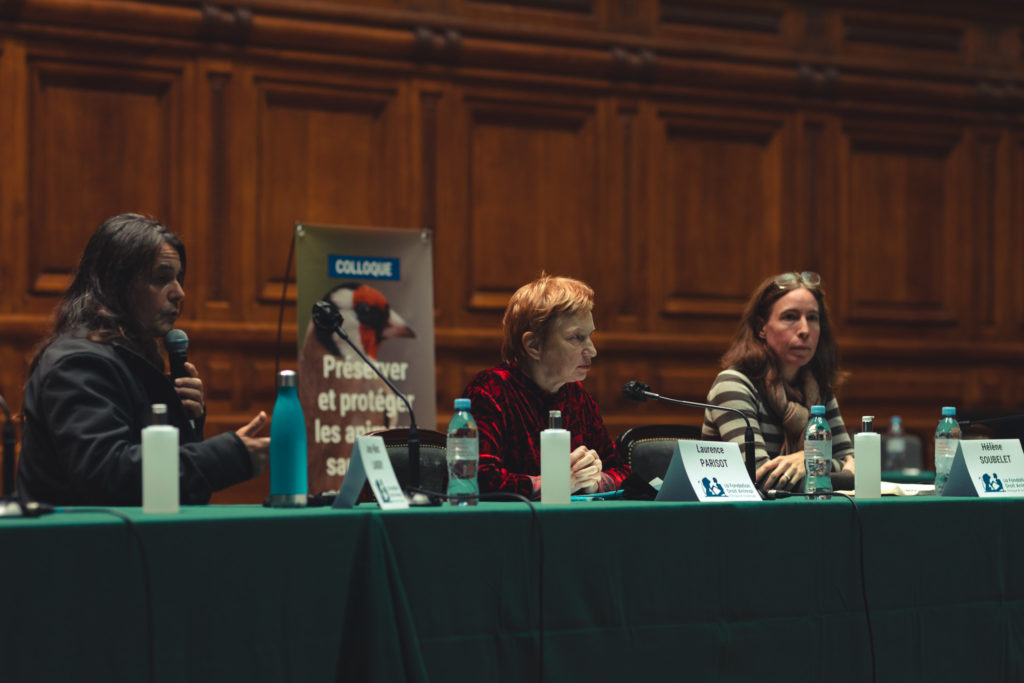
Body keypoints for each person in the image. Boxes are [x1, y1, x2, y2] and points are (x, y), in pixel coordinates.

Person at [17, 213, 270, 506]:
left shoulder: (130, 359)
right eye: (161, 279)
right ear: (117, 285)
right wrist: (226, 456)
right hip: (75, 547)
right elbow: (109, 475)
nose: (179, 293)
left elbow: (168, 490)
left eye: (179, 278)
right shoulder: (78, 364)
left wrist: (187, 421)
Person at [461, 274, 629, 498]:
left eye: (590, 336)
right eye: (577, 337)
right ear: (534, 345)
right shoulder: (490, 391)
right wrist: (551, 483)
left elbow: (622, 471)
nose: (592, 350)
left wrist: (593, 482)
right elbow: (477, 478)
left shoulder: (576, 396)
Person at [702, 271, 854, 491]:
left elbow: (857, 466)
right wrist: (821, 463)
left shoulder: (819, 391)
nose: (804, 330)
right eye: (790, 317)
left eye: (812, 318)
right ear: (761, 327)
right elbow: (760, 478)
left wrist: (808, 461)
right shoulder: (733, 385)